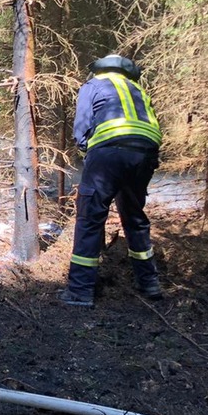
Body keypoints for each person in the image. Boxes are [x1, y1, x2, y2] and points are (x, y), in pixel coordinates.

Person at [62, 54, 163, 307]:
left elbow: (82, 125)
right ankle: (149, 282)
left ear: (99, 69)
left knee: (90, 216)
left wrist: (87, 153)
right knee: (134, 216)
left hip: (108, 153)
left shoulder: (93, 85)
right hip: (144, 155)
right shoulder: (138, 89)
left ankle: (80, 291)